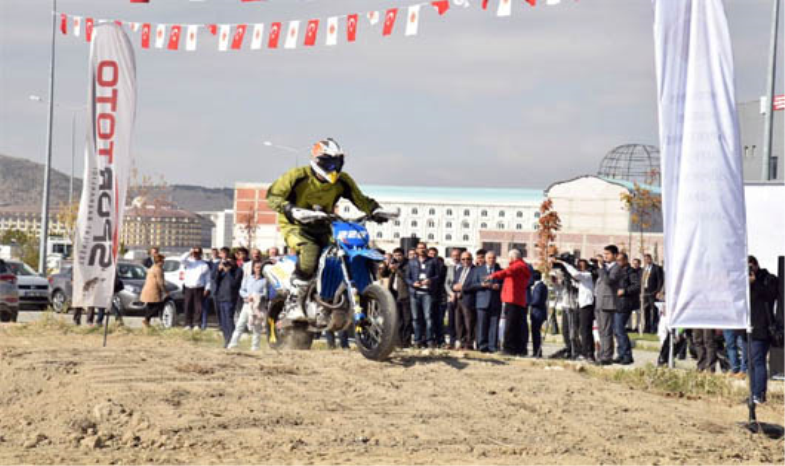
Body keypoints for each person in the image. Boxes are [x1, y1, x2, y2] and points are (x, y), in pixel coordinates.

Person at [265, 138, 397, 320]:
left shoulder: (342, 181)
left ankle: (333, 297)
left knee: (342, 252)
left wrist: (375, 210)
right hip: (296, 225)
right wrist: (290, 209)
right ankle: (295, 301)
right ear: (317, 160)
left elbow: (360, 199)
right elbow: (272, 196)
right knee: (310, 252)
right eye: (329, 162)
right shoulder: (297, 176)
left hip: (326, 225)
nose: (333, 167)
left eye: (337, 162)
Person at [488, 249, 532, 357]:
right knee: (517, 325)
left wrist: (493, 275)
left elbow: (508, 271)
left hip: (513, 299)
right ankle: (519, 349)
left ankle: (509, 348)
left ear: (512, 257)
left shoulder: (518, 265)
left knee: (510, 325)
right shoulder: (521, 266)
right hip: (516, 299)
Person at [748, 255, 779, 404]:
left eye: (750, 267)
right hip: (748, 327)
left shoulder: (768, 278)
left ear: (756, 265)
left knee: (758, 361)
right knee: (751, 363)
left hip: (762, 327)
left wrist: (755, 283)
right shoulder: (744, 282)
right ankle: (753, 393)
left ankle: (759, 394)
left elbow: (770, 296)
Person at [557, 258, 596, 361]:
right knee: (582, 331)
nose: (580, 267)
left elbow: (576, 275)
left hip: (587, 305)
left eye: (582, 265)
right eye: (579, 265)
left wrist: (564, 263)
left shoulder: (588, 275)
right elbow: (575, 282)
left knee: (585, 330)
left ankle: (588, 353)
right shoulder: (582, 279)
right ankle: (584, 352)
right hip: (581, 305)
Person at [465, 251, 502, 353]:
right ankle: (482, 345)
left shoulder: (500, 271)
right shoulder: (477, 270)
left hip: (495, 302)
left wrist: (499, 286)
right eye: (489, 258)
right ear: (486, 259)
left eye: (493, 258)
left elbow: (505, 284)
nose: (491, 260)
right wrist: (481, 285)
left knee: (494, 325)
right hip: (482, 301)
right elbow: (470, 285)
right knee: (482, 324)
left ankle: (492, 346)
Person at [406, 242, 439, 348]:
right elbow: (407, 277)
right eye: (419, 248)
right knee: (416, 318)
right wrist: (412, 283)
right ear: (416, 250)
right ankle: (417, 340)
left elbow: (438, 276)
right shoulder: (411, 262)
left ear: (426, 249)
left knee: (428, 317)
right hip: (415, 293)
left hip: (427, 293)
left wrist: (430, 280)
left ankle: (429, 340)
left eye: (423, 248)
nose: (422, 250)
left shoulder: (433, 261)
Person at [228, 260, 266, 351]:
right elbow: (241, 290)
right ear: (253, 268)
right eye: (257, 267)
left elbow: (266, 292)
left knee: (257, 327)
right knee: (240, 324)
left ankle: (255, 347)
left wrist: (257, 296)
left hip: (258, 306)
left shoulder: (265, 281)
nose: (258, 269)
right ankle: (233, 343)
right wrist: (246, 296)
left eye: (260, 268)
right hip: (247, 305)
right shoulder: (248, 278)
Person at [378, 247, 412, 348]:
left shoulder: (408, 265)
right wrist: (387, 266)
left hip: (405, 294)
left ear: (403, 256)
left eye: (399, 255)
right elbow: (384, 274)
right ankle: (399, 341)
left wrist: (397, 269)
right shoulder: (392, 264)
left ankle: (406, 341)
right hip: (394, 294)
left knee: (407, 320)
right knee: (398, 320)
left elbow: (407, 278)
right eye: (395, 255)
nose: (397, 257)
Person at [594, 245, 622, 365]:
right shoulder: (605, 267)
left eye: (608, 254)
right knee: (601, 330)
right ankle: (602, 354)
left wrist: (601, 268)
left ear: (615, 255)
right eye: (604, 254)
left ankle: (607, 356)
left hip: (608, 302)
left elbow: (608, 281)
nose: (605, 256)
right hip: (599, 302)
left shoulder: (616, 268)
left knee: (606, 331)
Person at [212, 250, 244, 347]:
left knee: (229, 319)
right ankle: (226, 339)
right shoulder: (223, 269)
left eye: (230, 262)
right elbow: (214, 278)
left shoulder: (238, 271)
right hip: (221, 296)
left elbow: (234, 283)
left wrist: (229, 272)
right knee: (223, 320)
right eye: (227, 261)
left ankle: (232, 340)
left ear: (235, 262)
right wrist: (218, 270)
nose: (228, 264)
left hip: (230, 297)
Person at [613, 252, 640, 365]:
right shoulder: (618, 271)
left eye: (619, 260)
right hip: (617, 304)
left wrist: (625, 291)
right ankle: (621, 354)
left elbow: (637, 286)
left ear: (625, 260)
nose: (618, 263)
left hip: (625, 304)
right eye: (617, 260)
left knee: (620, 329)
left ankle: (627, 355)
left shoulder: (630, 271)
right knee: (616, 330)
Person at [451, 251, 477, 350]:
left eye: (468, 259)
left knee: (469, 323)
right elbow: (454, 282)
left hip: (468, 299)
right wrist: (453, 288)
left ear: (471, 259)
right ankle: (461, 341)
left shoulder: (475, 270)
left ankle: (469, 343)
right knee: (459, 322)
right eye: (463, 259)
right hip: (458, 299)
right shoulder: (459, 269)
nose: (465, 261)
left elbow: (475, 284)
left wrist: (463, 287)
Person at [182, 247, 212, 330]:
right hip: (188, 287)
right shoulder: (189, 262)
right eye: (194, 253)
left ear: (200, 254)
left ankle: (197, 324)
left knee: (198, 307)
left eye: (197, 253)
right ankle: (188, 324)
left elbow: (207, 278)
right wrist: (190, 251)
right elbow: (182, 259)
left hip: (199, 288)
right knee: (188, 306)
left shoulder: (204, 264)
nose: (195, 254)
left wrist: (207, 288)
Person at [428, 247, 448, 347]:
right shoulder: (425, 265)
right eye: (430, 254)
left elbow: (441, 280)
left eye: (434, 254)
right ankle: (429, 340)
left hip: (438, 296)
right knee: (428, 319)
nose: (432, 256)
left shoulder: (442, 267)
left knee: (439, 320)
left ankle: (440, 340)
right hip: (427, 296)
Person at [140, 253, 167, 327]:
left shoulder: (152, 267)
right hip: (154, 291)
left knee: (150, 305)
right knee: (158, 305)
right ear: (160, 261)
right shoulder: (158, 269)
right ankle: (146, 319)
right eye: (163, 260)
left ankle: (147, 322)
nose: (164, 262)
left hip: (147, 289)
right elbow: (160, 282)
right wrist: (166, 291)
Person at [641, 254, 664, 334]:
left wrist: (658, 291)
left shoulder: (656, 268)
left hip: (653, 292)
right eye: (645, 259)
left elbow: (660, 281)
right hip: (645, 292)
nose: (646, 261)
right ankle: (647, 327)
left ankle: (654, 327)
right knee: (645, 310)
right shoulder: (644, 269)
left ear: (651, 259)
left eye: (648, 259)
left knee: (653, 311)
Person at [443, 248, 462, 348]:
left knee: (460, 320)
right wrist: (451, 294)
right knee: (451, 320)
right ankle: (451, 341)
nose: (455, 257)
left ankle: (460, 341)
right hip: (451, 298)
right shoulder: (449, 268)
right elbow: (446, 283)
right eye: (453, 255)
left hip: (461, 297)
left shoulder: (464, 267)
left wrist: (460, 293)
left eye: (457, 255)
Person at [528, 271, 548, 358]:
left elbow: (536, 300)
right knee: (536, 333)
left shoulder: (539, 287)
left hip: (538, 312)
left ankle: (537, 351)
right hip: (539, 312)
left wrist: (528, 302)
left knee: (536, 333)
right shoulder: (542, 286)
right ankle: (537, 351)